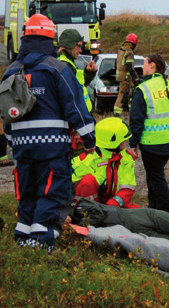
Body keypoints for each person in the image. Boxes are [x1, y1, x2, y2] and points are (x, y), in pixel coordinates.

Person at [2, 14, 95, 250]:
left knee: (29, 192)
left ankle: (23, 236)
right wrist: (89, 139)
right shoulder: (58, 69)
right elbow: (75, 107)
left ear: (24, 38)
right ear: (51, 38)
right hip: (52, 147)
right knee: (52, 193)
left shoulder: (11, 71)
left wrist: (15, 142)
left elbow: (6, 115)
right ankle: (42, 242)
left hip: (23, 149)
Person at [129, 53, 169, 214]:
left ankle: (166, 211)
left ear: (152, 66)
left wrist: (133, 143)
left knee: (156, 177)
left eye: (144, 63)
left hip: (152, 142)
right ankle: (154, 209)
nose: (142, 67)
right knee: (153, 176)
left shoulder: (143, 89)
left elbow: (136, 119)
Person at [72, 117, 139, 209]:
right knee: (88, 181)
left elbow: (127, 189)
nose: (125, 142)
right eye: (123, 140)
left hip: (113, 206)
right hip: (89, 208)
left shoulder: (126, 158)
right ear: (114, 143)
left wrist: (110, 207)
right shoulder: (89, 160)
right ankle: (85, 215)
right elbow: (64, 180)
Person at [71, 198, 169, 240]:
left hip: (139, 215)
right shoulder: (69, 225)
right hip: (132, 230)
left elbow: (98, 214)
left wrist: (80, 224)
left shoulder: (76, 204)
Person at [57, 29, 97, 112]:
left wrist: (88, 72)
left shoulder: (68, 63)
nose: (80, 50)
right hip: (78, 116)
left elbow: (79, 85)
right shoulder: (64, 65)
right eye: (78, 46)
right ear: (69, 45)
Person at [114, 33, 139, 116]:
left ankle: (130, 110)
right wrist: (135, 78)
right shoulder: (129, 52)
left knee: (128, 93)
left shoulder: (121, 50)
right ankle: (118, 112)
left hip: (121, 77)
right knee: (123, 94)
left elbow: (116, 64)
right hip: (126, 77)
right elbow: (129, 66)